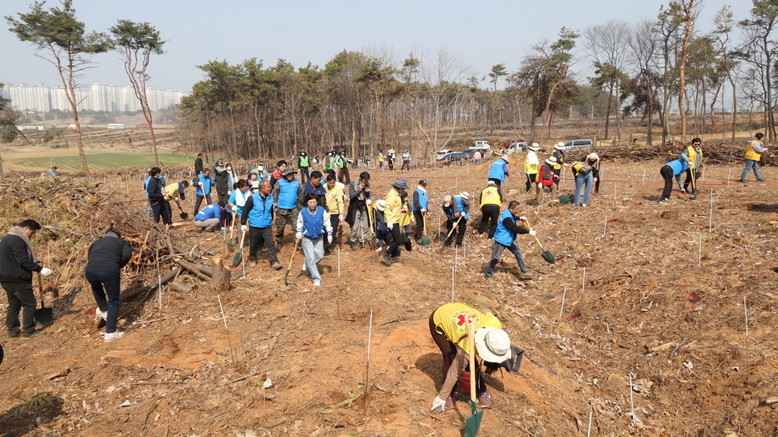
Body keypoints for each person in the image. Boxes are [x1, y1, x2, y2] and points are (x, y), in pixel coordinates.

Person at [429, 303, 512, 411]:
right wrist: (441, 398)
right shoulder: (468, 346)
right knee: (451, 357)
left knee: (469, 359)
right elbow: (454, 373)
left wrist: (480, 315)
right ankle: (448, 395)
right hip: (440, 318)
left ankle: (480, 390)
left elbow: (485, 309)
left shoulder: (495, 324)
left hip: (462, 315)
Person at [0, 220, 53, 338]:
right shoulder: (17, 240)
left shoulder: (6, 239)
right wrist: (40, 269)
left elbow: (14, 257)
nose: (32, 235)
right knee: (30, 304)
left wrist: (33, 260)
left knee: (14, 305)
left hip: (6, 278)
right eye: (32, 232)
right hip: (18, 278)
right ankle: (28, 331)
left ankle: (12, 332)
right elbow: (22, 260)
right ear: (26, 228)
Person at [85, 229, 132, 342]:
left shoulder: (96, 242)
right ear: (118, 236)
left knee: (96, 287)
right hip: (110, 271)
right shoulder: (121, 242)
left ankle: (104, 310)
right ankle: (110, 332)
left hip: (90, 271)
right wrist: (117, 264)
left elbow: (90, 256)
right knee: (113, 301)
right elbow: (127, 255)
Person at [486, 200, 534, 279]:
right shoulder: (506, 218)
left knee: (518, 253)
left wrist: (519, 218)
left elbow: (513, 217)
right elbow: (515, 228)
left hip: (508, 239)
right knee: (495, 258)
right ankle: (489, 274)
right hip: (502, 240)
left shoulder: (508, 213)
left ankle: (524, 272)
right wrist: (528, 231)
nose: (518, 211)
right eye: (517, 209)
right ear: (511, 208)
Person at [241, 180, 282, 270]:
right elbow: (245, 211)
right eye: (268, 187)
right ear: (262, 188)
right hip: (255, 225)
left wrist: (271, 219)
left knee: (270, 243)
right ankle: (253, 258)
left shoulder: (270, 197)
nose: (270, 188)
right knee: (253, 243)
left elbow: (270, 210)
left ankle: (274, 261)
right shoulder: (252, 198)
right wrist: (243, 223)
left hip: (266, 225)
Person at [296, 194, 334, 286]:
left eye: (314, 202)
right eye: (310, 202)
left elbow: (327, 222)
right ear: (307, 203)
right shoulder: (303, 211)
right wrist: (299, 231)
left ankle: (308, 263)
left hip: (318, 236)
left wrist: (329, 233)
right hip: (307, 237)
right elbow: (300, 222)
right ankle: (316, 278)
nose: (312, 204)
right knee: (311, 258)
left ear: (317, 202)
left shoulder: (322, 210)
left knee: (320, 255)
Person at [382, 178, 410, 265]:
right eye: (403, 188)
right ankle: (386, 253)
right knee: (399, 240)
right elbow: (387, 208)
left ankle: (394, 257)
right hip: (391, 221)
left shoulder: (397, 194)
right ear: (399, 187)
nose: (404, 189)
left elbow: (395, 207)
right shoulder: (392, 195)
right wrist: (389, 221)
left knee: (395, 238)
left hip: (396, 220)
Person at [272, 168, 303, 246]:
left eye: (292, 174)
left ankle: (297, 242)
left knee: (296, 226)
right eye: (289, 174)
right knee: (280, 227)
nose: (290, 176)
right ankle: (278, 242)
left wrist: (299, 205)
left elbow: (300, 194)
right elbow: (275, 193)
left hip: (294, 208)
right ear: (285, 175)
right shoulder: (279, 182)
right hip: (281, 208)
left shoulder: (296, 182)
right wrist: (275, 204)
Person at [346, 172, 372, 250]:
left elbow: (368, 195)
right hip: (355, 207)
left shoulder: (367, 185)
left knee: (365, 226)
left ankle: (362, 241)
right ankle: (353, 241)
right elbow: (351, 196)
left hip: (364, 207)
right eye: (365, 181)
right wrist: (359, 190)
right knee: (355, 226)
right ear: (361, 179)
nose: (366, 182)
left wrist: (369, 200)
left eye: (367, 181)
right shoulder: (352, 184)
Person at [324, 173, 345, 252]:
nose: (331, 184)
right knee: (325, 229)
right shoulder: (323, 187)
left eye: (333, 183)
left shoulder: (338, 189)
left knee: (333, 230)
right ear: (327, 182)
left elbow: (340, 201)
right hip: (325, 212)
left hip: (334, 213)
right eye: (330, 183)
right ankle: (323, 244)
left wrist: (341, 213)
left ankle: (329, 246)